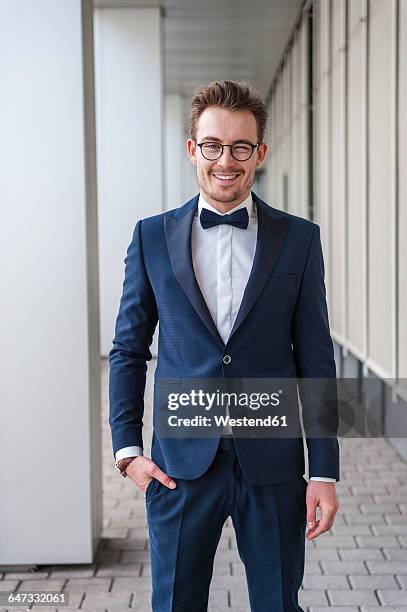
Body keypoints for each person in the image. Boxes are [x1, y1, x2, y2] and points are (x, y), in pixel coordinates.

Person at [108, 80, 340, 612]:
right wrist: (127, 453)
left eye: (240, 147)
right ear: (193, 149)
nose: (225, 160)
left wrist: (323, 470)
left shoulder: (299, 239)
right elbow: (128, 349)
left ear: (259, 152)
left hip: (275, 465)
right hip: (179, 468)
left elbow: (316, 360)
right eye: (212, 145)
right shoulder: (150, 237)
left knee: (279, 605)